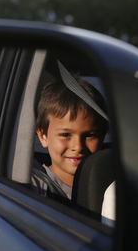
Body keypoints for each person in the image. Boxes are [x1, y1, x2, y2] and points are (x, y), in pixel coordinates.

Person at [31, 62, 108, 201]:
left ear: (103, 136)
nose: (78, 146)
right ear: (42, 136)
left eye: (90, 135)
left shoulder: (110, 189)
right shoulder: (37, 187)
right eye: (65, 135)